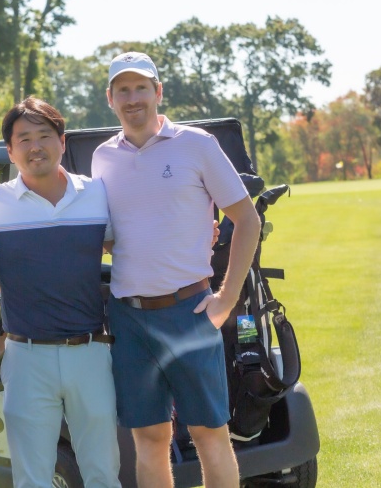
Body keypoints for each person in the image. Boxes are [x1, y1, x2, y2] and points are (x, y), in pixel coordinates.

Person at [92, 52, 262, 488]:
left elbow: (247, 220)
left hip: (189, 311)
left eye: (141, 88)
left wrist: (225, 299)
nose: (133, 98)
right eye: (123, 90)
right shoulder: (101, 158)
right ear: (111, 98)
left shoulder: (197, 144)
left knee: (210, 434)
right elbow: (115, 235)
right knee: (149, 436)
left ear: (158, 92)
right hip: (128, 318)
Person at [0, 97, 121, 488]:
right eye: (24, 139)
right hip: (25, 357)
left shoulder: (97, 194)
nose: (35, 146)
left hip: (91, 352)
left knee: (103, 473)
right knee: (32, 478)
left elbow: (121, 246)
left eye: (44, 136)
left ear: (62, 141)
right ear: (10, 151)